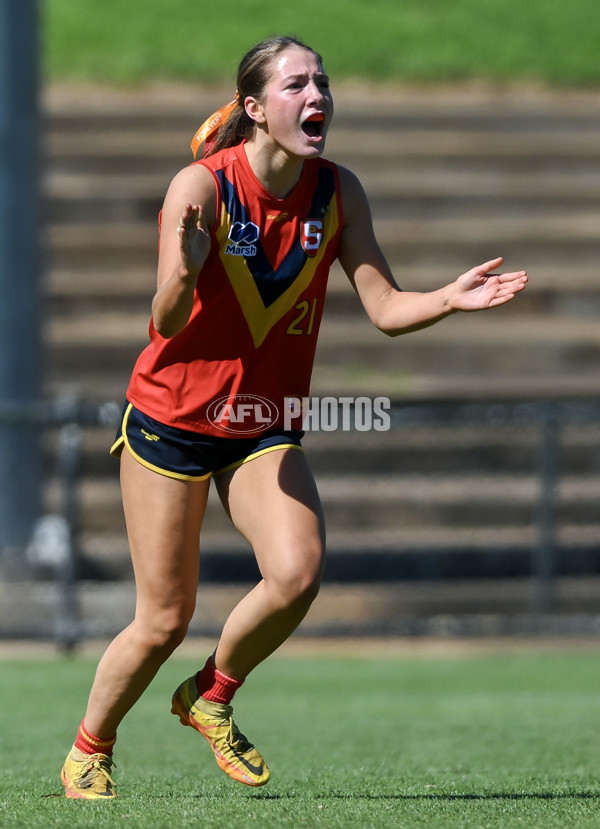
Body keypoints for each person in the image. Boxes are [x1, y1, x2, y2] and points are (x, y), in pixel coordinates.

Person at [60, 35, 528, 799]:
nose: (318, 97)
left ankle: (210, 696)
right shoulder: (201, 189)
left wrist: (447, 297)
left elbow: (383, 306)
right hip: (172, 419)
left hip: (261, 421)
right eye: (297, 85)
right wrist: (182, 270)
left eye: (323, 83)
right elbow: (167, 320)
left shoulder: (337, 192)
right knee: (163, 618)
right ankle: (89, 749)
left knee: (297, 570)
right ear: (254, 108)